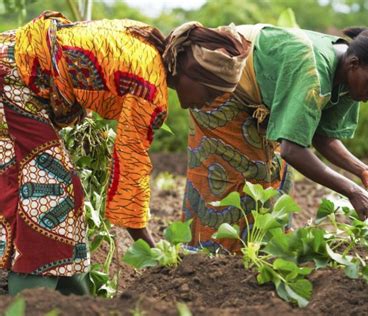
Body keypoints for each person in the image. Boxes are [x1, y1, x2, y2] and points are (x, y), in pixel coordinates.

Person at [0, 11, 250, 295]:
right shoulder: (150, 86)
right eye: (212, 93)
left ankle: (77, 301)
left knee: (61, 193)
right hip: (11, 79)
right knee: (47, 192)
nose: (209, 103)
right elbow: (131, 169)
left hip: (15, 72)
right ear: (194, 75)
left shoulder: (148, 40)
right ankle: (28, 297)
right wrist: (153, 251)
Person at [183, 24, 368, 252]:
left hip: (259, 101)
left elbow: (323, 136)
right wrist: (353, 191)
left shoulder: (350, 78)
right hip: (220, 82)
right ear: (354, 64)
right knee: (235, 175)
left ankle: (264, 253)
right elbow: (293, 149)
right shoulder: (313, 71)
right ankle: (208, 258)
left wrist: (361, 170)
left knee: (278, 175)